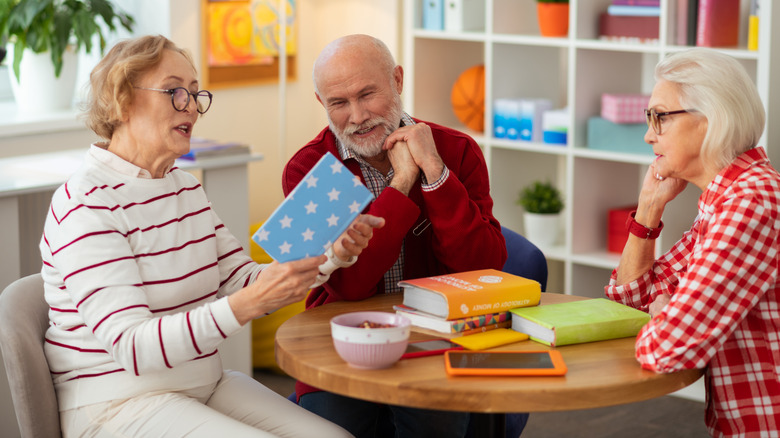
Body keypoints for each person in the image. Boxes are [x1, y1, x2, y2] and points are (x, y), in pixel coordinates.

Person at [40, 35, 384, 438]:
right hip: (116, 403)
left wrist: (331, 255)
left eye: (195, 94)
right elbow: (134, 347)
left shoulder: (183, 185)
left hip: (201, 384)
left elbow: (244, 280)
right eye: (175, 92)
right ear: (122, 99)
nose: (191, 107)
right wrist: (245, 305)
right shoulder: (86, 202)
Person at [283, 34, 538, 438]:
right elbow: (348, 285)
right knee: (331, 428)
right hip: (341, 342)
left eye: (368, 94)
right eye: (338, 102)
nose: (356, 115)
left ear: (397, 81)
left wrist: (434, 174)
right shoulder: (309, 170)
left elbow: (483, 269)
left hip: (437, 338)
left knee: (436, 421)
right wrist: (401, 183)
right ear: (322, 103)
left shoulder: (456, 151)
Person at [605, 48, 780, 437]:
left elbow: (668, 348)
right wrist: (649, 206)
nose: (649, 134)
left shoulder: (751, 203)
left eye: (659, 117)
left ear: (710, 119)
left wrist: (666, 311)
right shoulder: (725, 198)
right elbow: (629, 300)